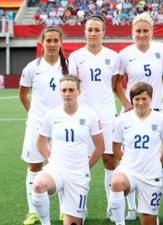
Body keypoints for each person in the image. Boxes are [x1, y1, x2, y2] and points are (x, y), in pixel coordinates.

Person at [116, 12, 163, 220]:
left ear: (151, 31)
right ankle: (132, 207)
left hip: (156, 111)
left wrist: (158, 95)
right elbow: (117, 83)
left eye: (145, 31)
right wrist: (127, 105)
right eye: (138, 31)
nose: (142, 34)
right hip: (134, 113)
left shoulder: (162, 50)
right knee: (131, 158)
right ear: (132, 32)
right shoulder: (124, 54)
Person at [68, 15, 120, 221]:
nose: (93, 33)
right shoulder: (75, 57)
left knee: (109, 160)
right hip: (83, 117)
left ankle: (111, 207)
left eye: (97, 30)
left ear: (103, 32)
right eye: (90, 29)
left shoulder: (113, 57)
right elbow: (72, 86)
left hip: (107, 115)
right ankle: (80, 206)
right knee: (82, 162)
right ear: (85, 32)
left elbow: (114, 85)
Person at [32, 75, 104, 225]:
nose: (67, 93)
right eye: (63, 90)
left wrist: (86, 166)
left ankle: (78, 213)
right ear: (60, 92)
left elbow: (100, 146)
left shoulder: (90, 114)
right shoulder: (51, 115)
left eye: (71, 90)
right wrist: (52, 159)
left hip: (78, 174)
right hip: (56, 170)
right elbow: (40, 143)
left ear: (78, 91)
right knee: (38, 185)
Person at [19, 25, 69, 225]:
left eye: (55, 40)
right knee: (35, 165)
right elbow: (23, 94)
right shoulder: (32, 67)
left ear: (60, 42)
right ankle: (33, 211)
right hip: (37, 124)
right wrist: (34, 114)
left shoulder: (68, 67)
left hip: (62, 124)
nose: (51, 44)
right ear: (42, 42)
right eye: (48, 40)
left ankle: (65, 210)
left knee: (64, 165)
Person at [108, 82, 163, 225]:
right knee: (116, 182)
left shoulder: (161, 119)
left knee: (148, 220)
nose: (140, 102)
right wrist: (124, 162)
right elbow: (116, 146)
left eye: (144, 98)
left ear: (151, 99)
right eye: (137, 99)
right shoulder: (123, 119)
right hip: (129, 170)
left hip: (151, 174)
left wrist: (159, 163)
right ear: (132, 100)